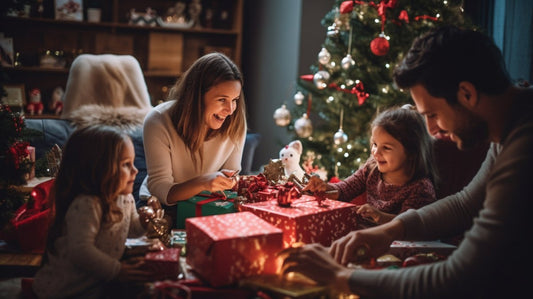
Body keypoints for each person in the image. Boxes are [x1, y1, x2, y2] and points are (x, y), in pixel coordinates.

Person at [280, 25, 533, 298]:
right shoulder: (508, 126)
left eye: (433, 114)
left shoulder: (524, 145)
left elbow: (462, 275)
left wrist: (341, 277)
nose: (432, 131)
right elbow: (466, 204)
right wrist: (389, 231)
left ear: (467, 94)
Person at [32, 125, 155, 298]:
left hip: (93, 287)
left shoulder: (125, 198)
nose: (135, 171)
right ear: (99, 169)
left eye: (133, 163)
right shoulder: (87, 204)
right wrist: (117, 270)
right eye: (126, 164)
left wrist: (144, 221)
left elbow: (132, 230)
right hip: (63, 291)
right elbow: (81, 251)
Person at [140, 52, 247, 212]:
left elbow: (232, 177)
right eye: (222, 100)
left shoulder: (235, 122)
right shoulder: (158, 121)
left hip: (208, 202)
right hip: (161, 207)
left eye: (235, 100)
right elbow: (159, 188)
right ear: (196, 96)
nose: (230, 110)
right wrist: (203, 182)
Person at [305, 105, 438, 226]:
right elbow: (344, 190)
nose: (376, 152)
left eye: (386, 148)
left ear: (411, 152)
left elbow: (408, 227)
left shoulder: (420, 188)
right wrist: (324, 188)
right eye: (375, 144)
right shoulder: (371, 169)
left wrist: (380, 217)